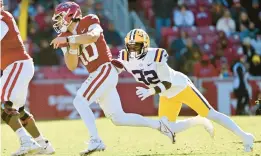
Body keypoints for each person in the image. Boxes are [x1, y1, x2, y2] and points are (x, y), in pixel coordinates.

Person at [50, 2, 213, 155]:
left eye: (59, 17)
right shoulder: (65, 36)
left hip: (105, 69)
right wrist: (70, 45)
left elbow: (93, 36)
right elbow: (71, 65)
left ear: (70, 15)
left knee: (79, 101)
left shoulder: (89, 20)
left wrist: (70, 39)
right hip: (97, 73)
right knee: (118, 118)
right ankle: (160, 125)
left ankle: (96, 140)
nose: (57, 21)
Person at [116, 28, 255, 152]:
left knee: (211, 113)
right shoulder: (124, 57)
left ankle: (245, 136)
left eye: (136, 46)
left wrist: (150, 92)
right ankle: (198, 121)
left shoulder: (156, 55)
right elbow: (112, 68)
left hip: (180, 86)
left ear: (145, 46)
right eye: (130, 46)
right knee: (167, 128)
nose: (132, 51)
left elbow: (167, 83)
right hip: (165, 94)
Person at [0, 1, 54, 155]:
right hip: (17, 66)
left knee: (4, 105)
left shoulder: (2, 18)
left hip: (16, 65)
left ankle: (26, 141)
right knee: (20, 110)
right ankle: (44, 145)